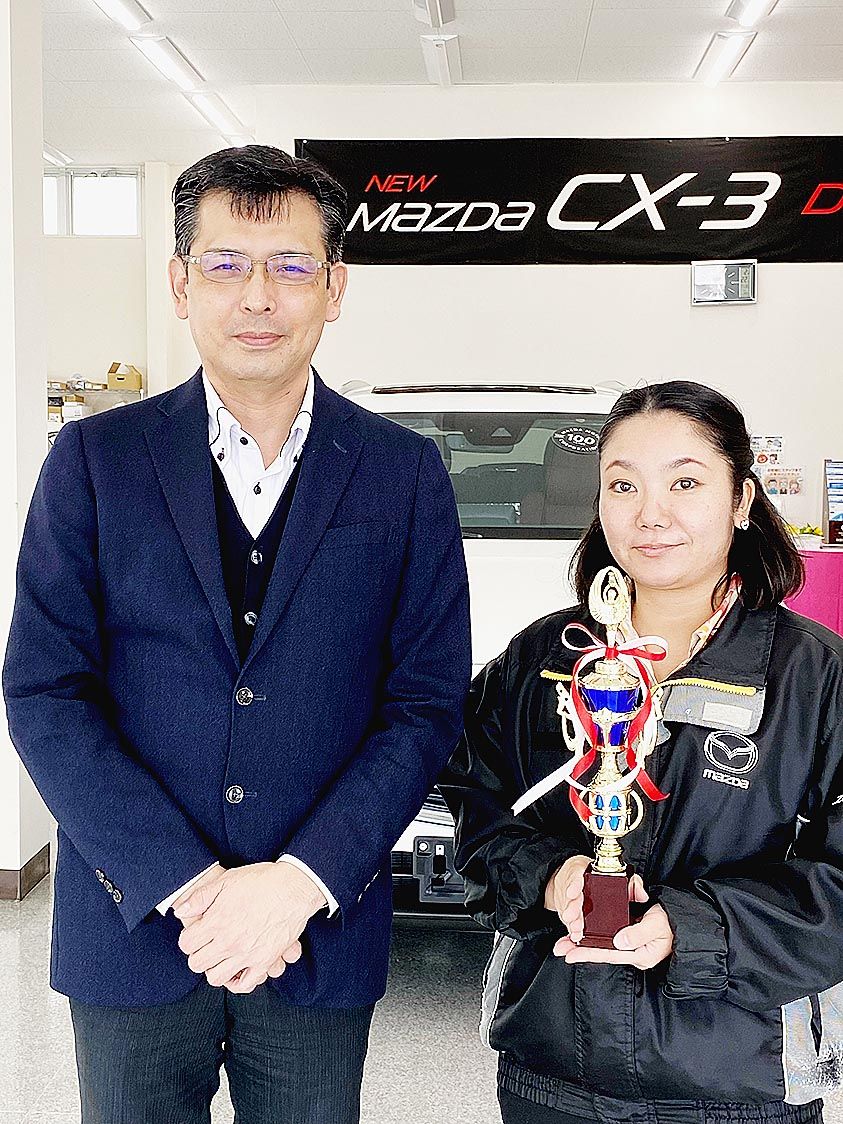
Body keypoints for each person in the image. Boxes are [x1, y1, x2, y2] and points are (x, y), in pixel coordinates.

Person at [3, 145, 470, 1124]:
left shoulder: (402, 473)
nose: (258, 295)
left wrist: (298, 882)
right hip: (132, 927)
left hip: (316, 933)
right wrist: (186, 882)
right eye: (226, 263)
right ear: (181, 283)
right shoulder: (94, 461)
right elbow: (45, 690)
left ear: (334, 286)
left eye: (291, 264)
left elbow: (424, 704)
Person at [440, 380, 843, 1124]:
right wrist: (550, 877)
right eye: (622, 485)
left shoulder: (815, 678)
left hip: (737, 1086)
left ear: (741, 500)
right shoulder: (544, 657)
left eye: (685, 483)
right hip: (550, 1075)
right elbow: (475, 804)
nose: (650, 514)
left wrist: (691, 927)